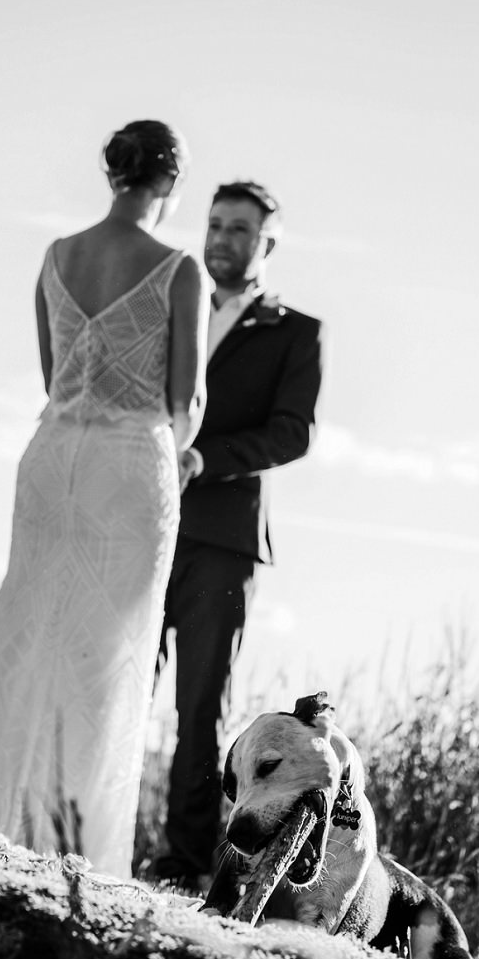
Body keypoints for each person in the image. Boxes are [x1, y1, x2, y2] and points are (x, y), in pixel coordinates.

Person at [0, 120, 206, 877]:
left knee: (29, 625)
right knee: (107, 649)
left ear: (113, 174)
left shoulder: (56, 257)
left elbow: (53, 380)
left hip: (50, 456)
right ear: (169, 184)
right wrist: (183, 452)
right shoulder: (180, 270)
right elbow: (189, 398)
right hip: (129, 465)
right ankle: (70, 844)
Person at [151, 180, 323, 888]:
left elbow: (292, 433)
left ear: (267, 245)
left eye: (239, 230)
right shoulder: (169, 303)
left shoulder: (296, 331)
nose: (221, 239)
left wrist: (205, 461)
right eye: (214, 225)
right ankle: (81, 827)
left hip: (223, 538)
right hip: (141, 521)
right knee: (116, 686)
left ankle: (185, 862)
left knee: (198, 706)